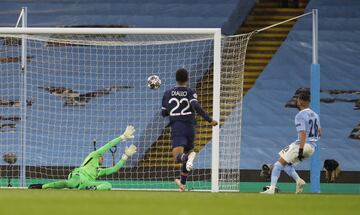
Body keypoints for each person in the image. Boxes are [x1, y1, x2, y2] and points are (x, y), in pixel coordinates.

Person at [28, 125, 137, 190]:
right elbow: (108, 145)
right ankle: (43, 186)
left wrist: (125, 156)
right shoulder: (94, 155)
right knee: (69, 183)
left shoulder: (99, 171)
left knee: (108, 185)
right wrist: (122, 137)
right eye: (102, 157)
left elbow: (114, 169)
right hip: (78, 175)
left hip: (86, 184)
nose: (102, 158)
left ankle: (92, 189)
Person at [161, 68, 218, 191]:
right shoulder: (190, 92)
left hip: (177, 127)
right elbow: (195, 105)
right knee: (187, 153)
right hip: (190, 127)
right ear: (187, 79)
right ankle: (182, 184)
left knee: (178, 157)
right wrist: (209, 120)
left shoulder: (167, 93)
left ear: (176, 79)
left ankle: (188, 158)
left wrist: (172, 111)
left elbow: (164, 113)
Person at [261, 91, 321, 194]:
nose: (297, 101)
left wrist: (301, 149)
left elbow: (302, 133)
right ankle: (299, 181)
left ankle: (271, 189)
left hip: (302, 145)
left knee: (278, 164)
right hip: (312, 147)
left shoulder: (300, 115)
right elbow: (319, 132)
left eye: (298, 99)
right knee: (287, 165)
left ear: (301, 101)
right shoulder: (315, 115)